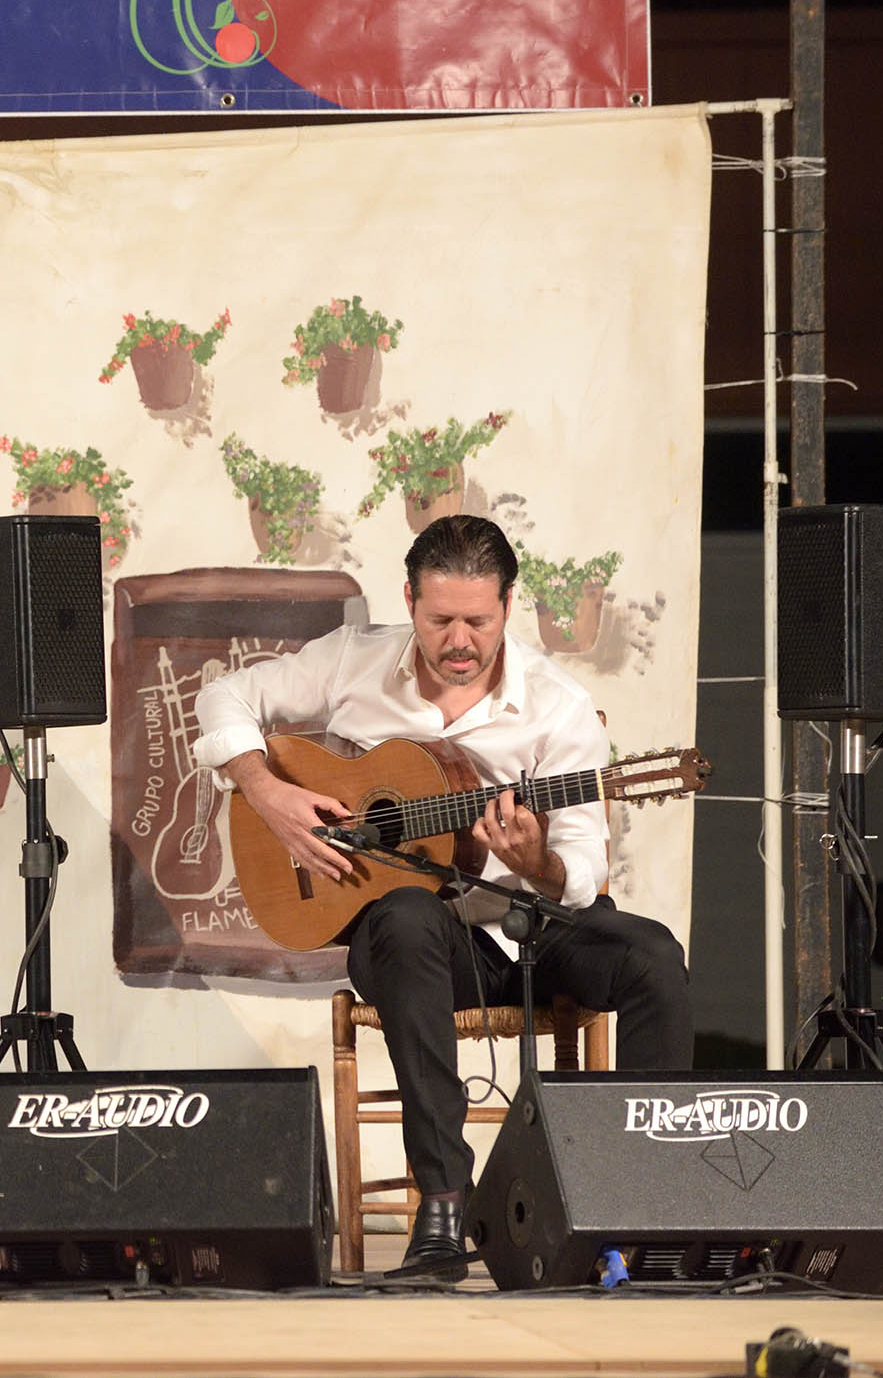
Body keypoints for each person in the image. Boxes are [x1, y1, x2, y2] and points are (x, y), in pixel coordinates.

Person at [192, 514, 690, 1281]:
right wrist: (266, 792)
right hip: (420, 949)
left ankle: (646, 1208)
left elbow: (583, 863)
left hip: (530, 927)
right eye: (441, 620)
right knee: (404, 914)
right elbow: (225, 696)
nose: (460, 640)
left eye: (479, 621)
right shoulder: (355, 661)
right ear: (409, 601)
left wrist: (538, 863)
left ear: (509, 606)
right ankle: (443, 1205)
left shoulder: (557, 707)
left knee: (654, 955)